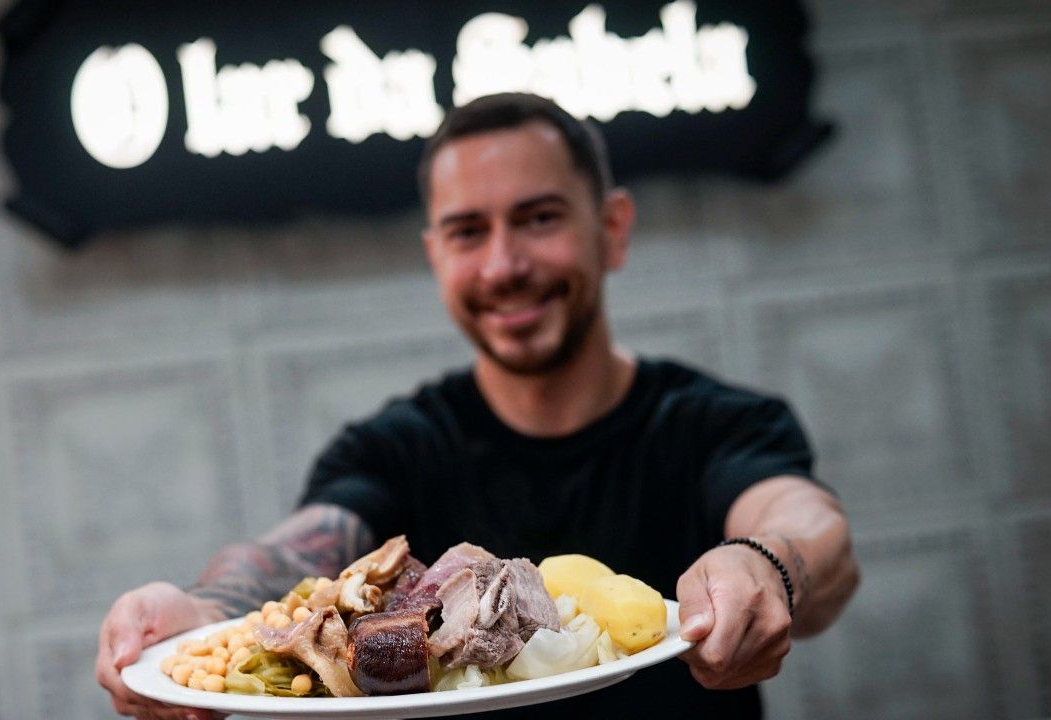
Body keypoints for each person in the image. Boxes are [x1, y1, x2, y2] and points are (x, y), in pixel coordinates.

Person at [95, 93, 860, 720]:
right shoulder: (393, 447)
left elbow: (809, 529)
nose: (504, 265)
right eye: (469, 232)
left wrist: (764, 566)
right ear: (437, 257)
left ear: (612, 230)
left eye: (538, 218)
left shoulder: (716, 423)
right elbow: (300, 557)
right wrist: (198, 613)